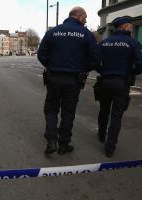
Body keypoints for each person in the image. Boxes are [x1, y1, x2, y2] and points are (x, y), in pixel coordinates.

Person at [37, 7, 100, 155]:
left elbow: (41, 54)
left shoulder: (53, 32)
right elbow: (96, 59)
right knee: (68, 112)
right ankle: (64, 144)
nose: (86, 21)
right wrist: (83, 69)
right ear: (78, 16)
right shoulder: (86, 34)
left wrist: (51, 66)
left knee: (51, 109)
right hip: (74, 79)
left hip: (54, 77)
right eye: (85, 18)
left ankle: (51, 141)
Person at [96, 16, 142, 157]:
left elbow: (94, 61)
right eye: (129, 25)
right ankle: (110, 148)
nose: (131, 27)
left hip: (105, 81)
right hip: (122, 82)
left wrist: (103, 71)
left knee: (104, 110)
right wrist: (130, 73)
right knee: (116, 116)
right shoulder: (133, 43)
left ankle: (101, 135)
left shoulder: (104, 42)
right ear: (123, 27)